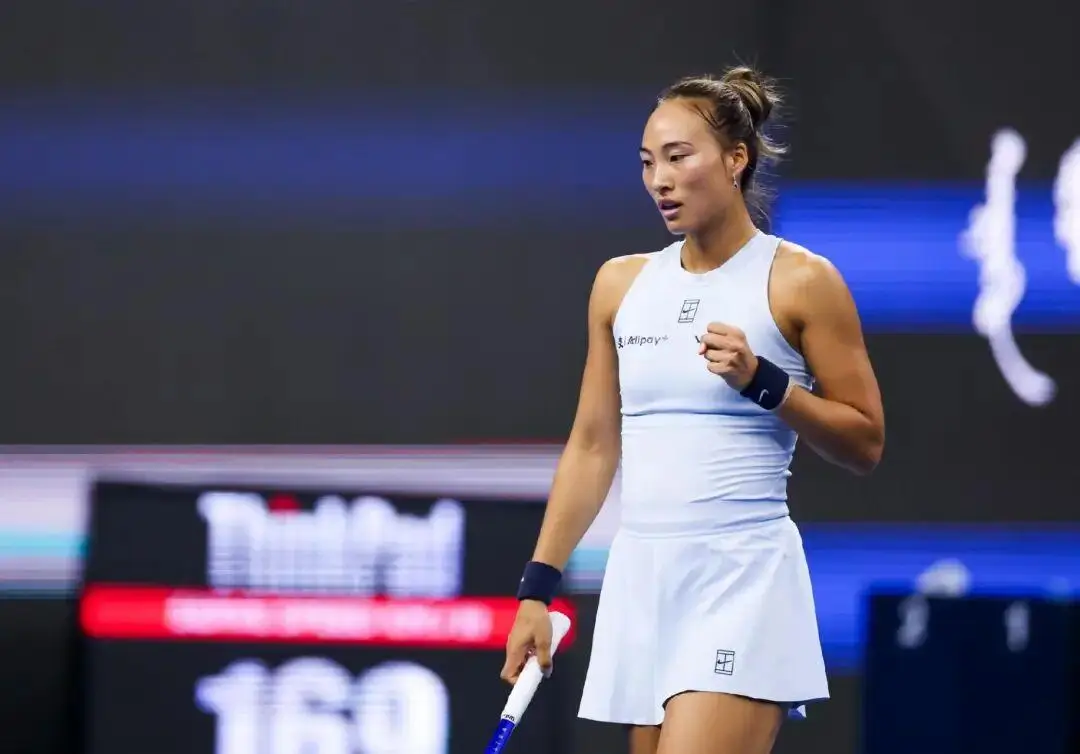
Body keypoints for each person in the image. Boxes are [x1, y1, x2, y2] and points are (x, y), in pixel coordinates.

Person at [500, 65, 885, 754]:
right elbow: (592, 447)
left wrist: (766, 382)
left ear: (736, 159)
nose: (660, 180)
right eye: (648, 162)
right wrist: (537, 590)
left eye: (679, 157)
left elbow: (865, 441)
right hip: (643, 582)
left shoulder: (803, 281)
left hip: (743, 578)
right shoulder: (619, 285)